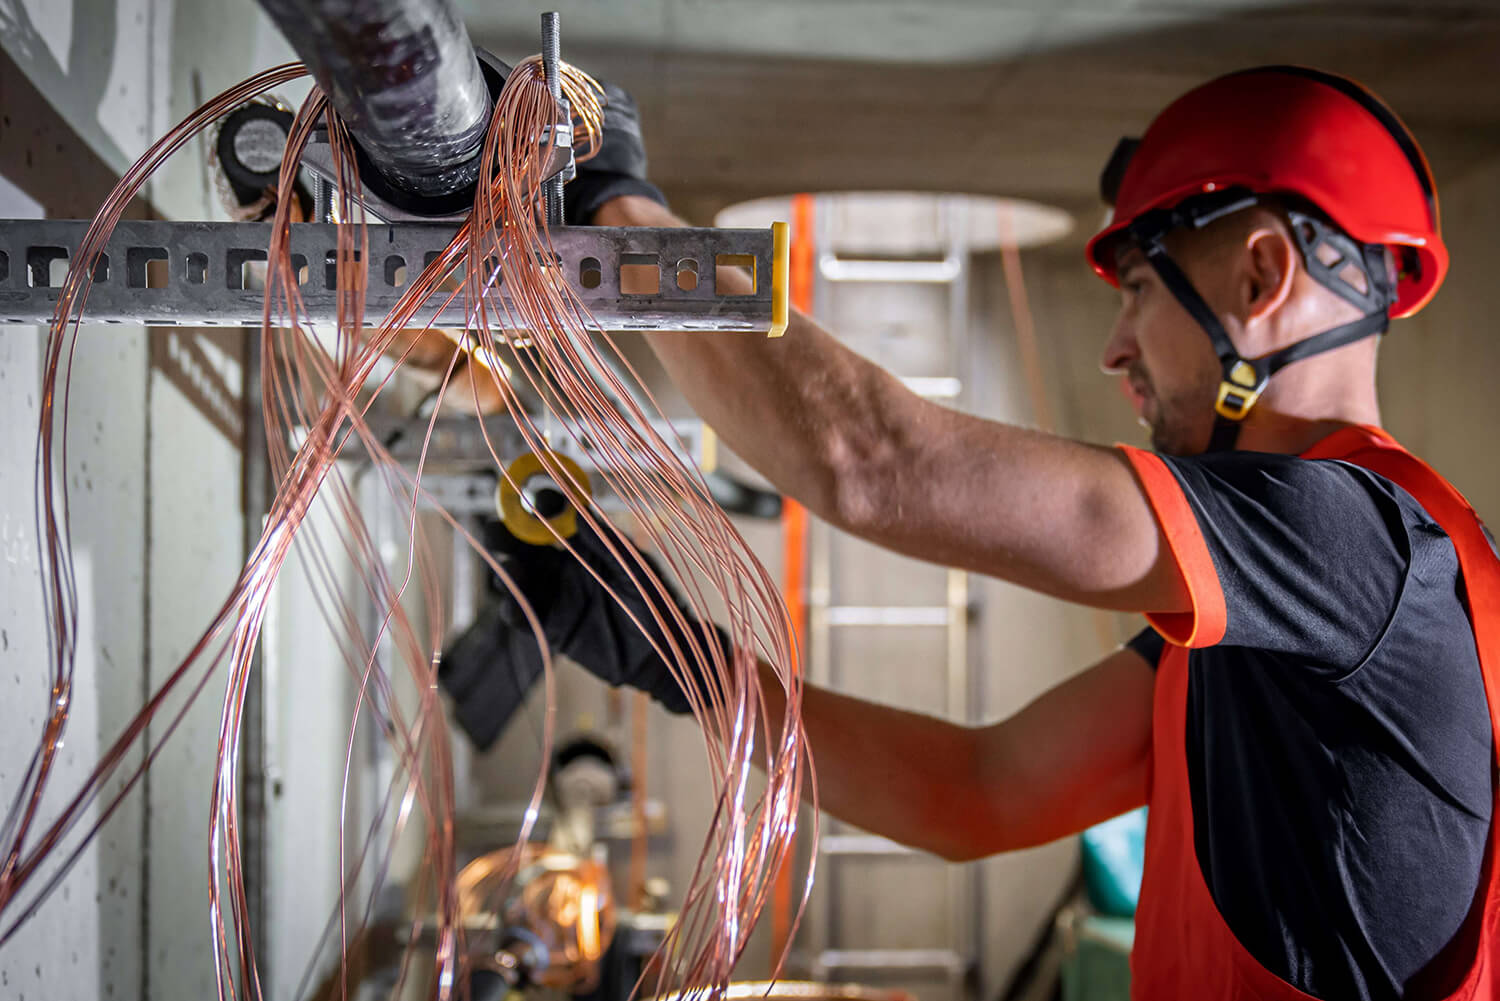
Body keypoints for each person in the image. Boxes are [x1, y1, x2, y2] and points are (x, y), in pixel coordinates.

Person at [472, 67, 1500, 1000]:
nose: (1115, 349)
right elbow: (976, 791)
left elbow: (874, 462)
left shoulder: (1351, 541)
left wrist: (618, 214)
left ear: (1261, 274)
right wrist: (675, 655)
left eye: (1139, 287)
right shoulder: (1284, 614)